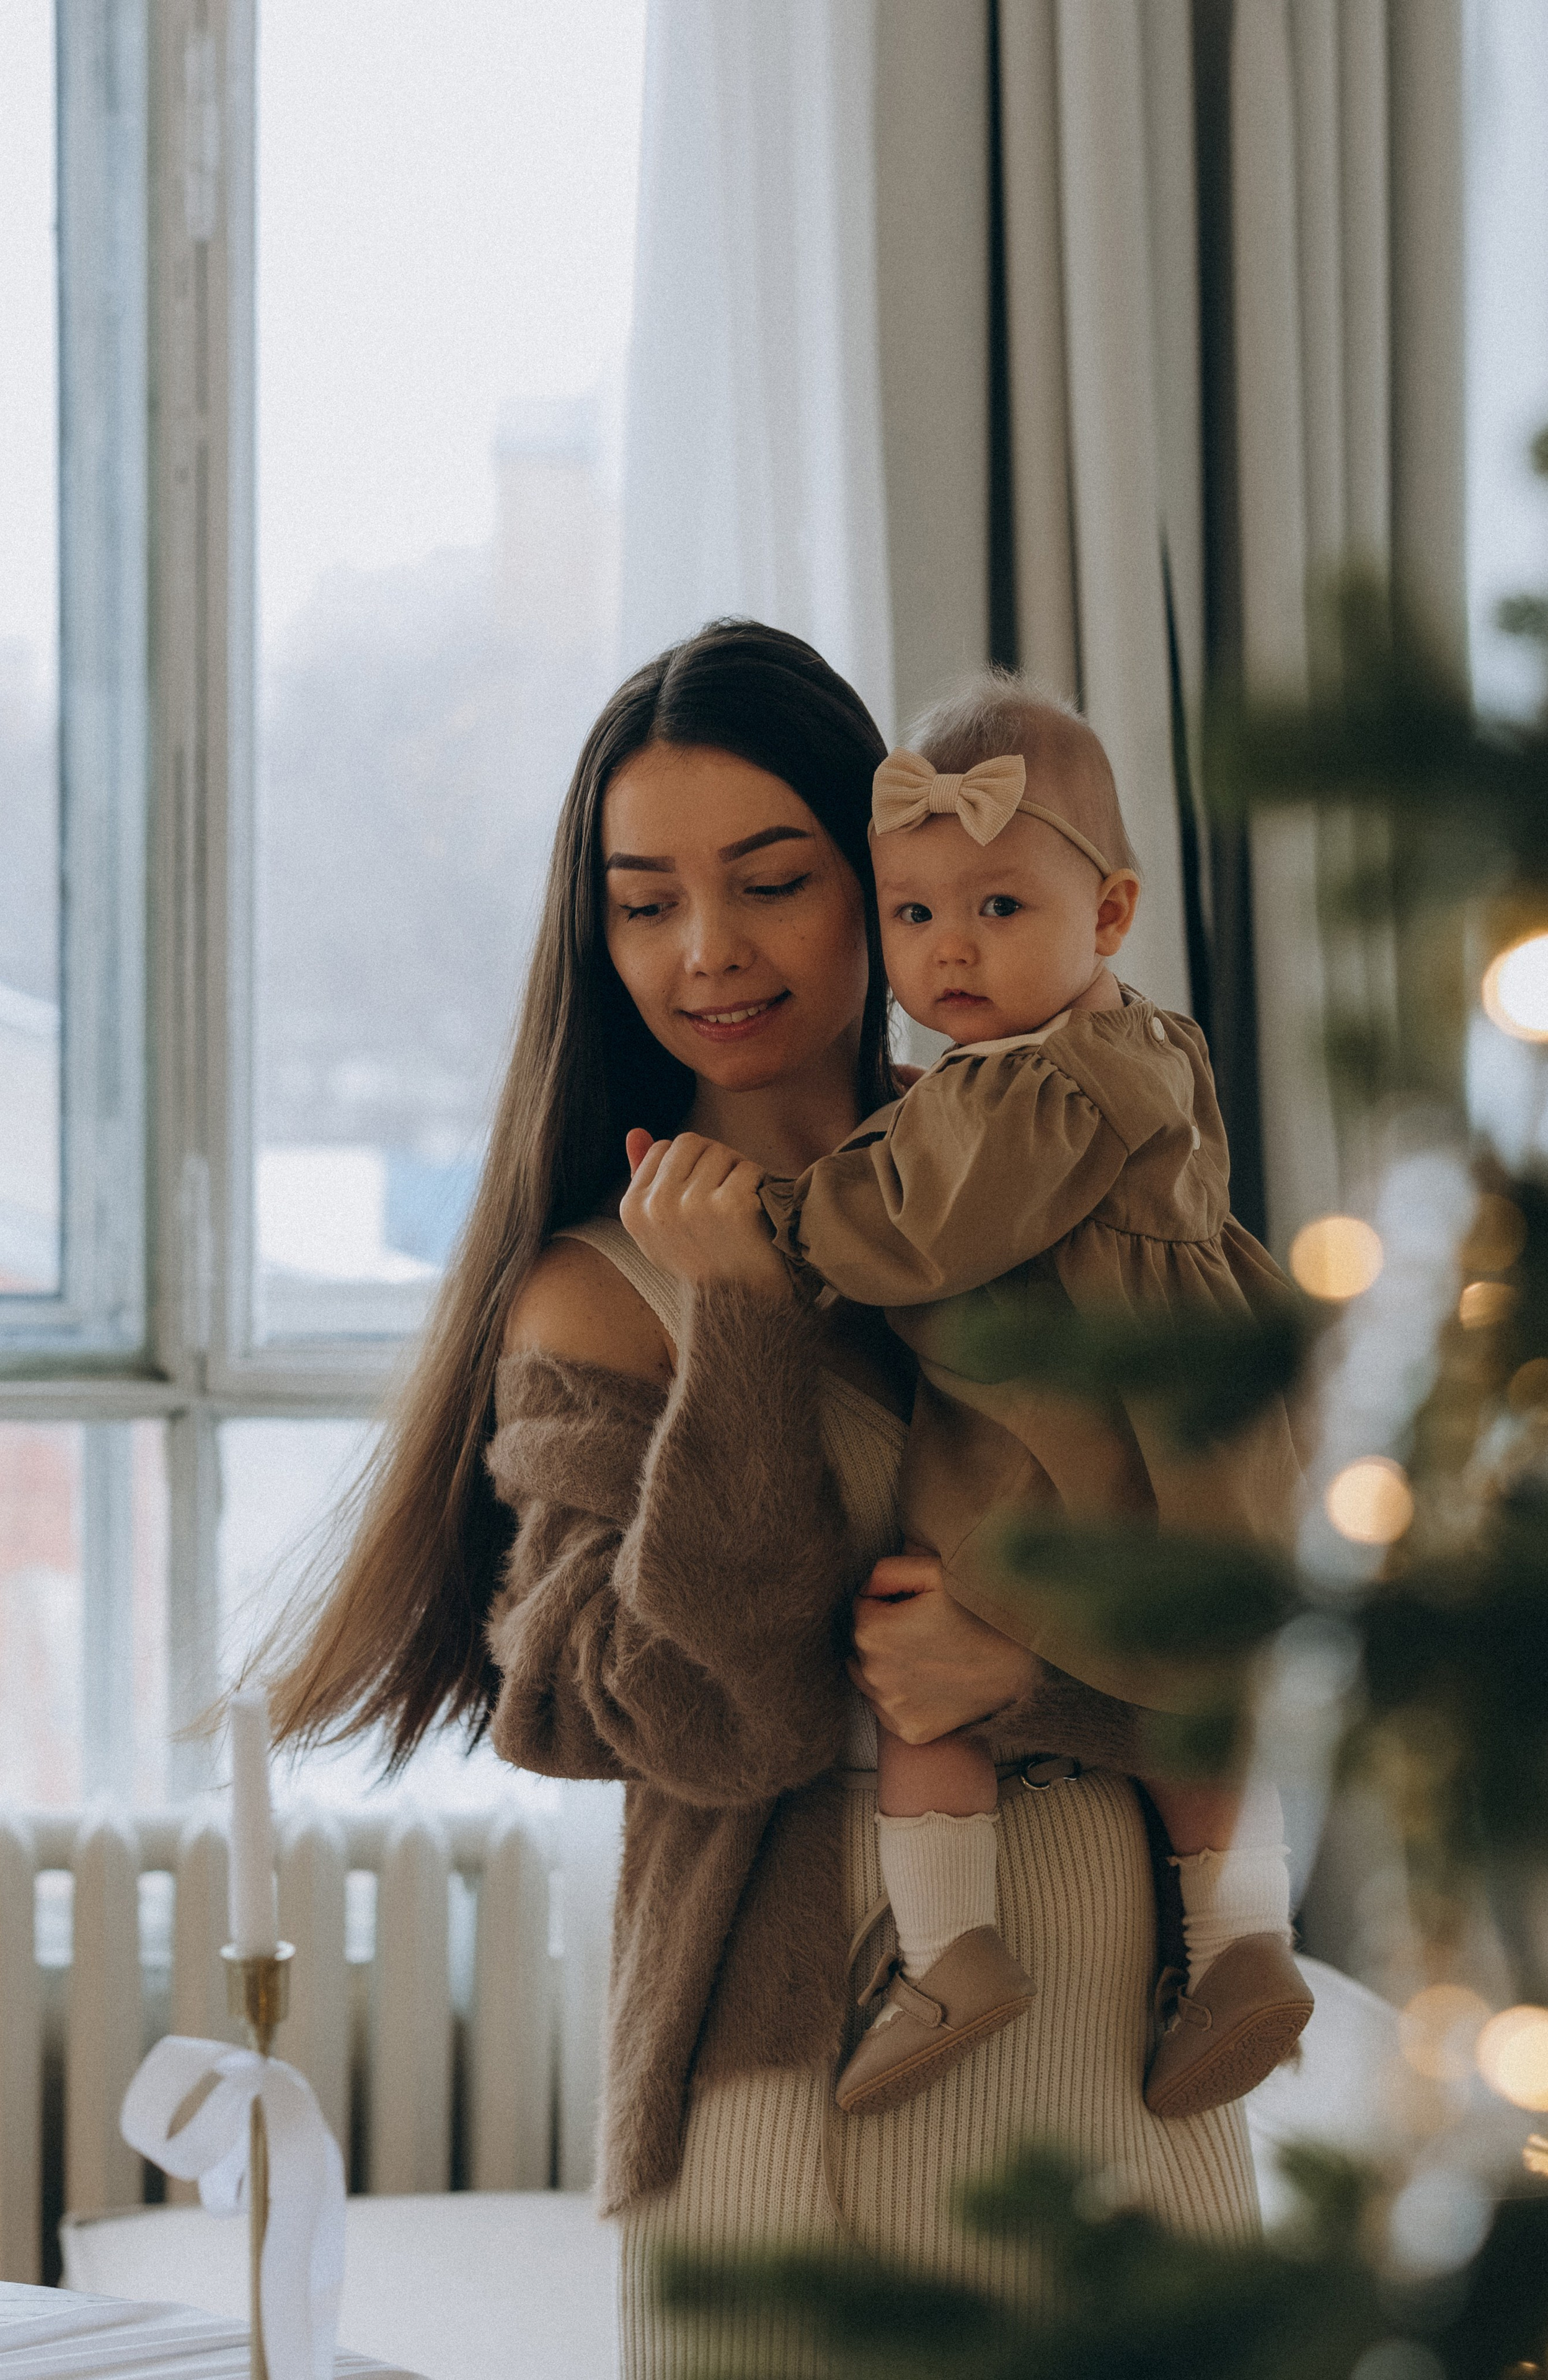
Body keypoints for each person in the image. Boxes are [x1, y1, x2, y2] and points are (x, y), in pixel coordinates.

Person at [266, 622, 1259, 2380]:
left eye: (771, 882)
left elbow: (1276, 1588)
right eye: (644, 903)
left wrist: (1019, 1668)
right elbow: (686, 1721)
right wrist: (736, 1321)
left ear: (884, 888)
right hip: (800, 2076)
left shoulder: (1068, 1172)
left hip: (1118, 2038)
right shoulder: (592, 1298)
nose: (706, 952)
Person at [627, 671, 1312, 2126]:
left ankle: (947, 1947)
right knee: (1200, 1677)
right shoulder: (1134, 1049)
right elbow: (660, 1710)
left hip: (1074, 1435)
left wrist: (784, 1236)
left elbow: (918, 1226)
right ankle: (1240, 1937)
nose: (947, 952)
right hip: (1196, 1433)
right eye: (916, 913)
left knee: (924, 1657)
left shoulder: (1017, 1092)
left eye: (998, 910)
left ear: (1107, 916)